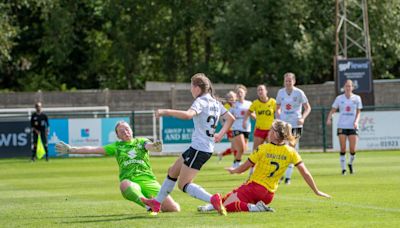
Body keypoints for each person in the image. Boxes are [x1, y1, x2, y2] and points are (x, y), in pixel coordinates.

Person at [140, 73, 235, 215]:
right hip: (199, 147)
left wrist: (166, 111)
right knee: (172, 171)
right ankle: (157, 203)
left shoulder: (201, 101)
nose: (191, 90)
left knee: (183, 184)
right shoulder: (216, 103)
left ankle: (212, 199)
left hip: (200, 148)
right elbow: (230, 118)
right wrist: (220, 135)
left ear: (197, 87)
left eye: (191, 86)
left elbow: (188, 115)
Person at [198, 119, 331, 213]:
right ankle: (209, 206)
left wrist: (234, 171)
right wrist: (316, 191)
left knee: (228, 205)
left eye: (271, 130)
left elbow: (243, 168)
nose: (268, 132)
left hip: (254, 188)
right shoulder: (291, 151)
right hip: (269, 196)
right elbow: (305, 173)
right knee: (231, 196)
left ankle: (254, 208)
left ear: (274, 134)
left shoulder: (263, 148)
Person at [55, 121, 180, 213]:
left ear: (131, 130)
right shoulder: (116, 146)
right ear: (118, 136)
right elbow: (93, 149)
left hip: (149, 180)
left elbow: (149, 146)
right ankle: (148, 205)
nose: (125, 132)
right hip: (131, 181)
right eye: (121, 131)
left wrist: (155, 147)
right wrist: (72, 149)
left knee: (174, 209)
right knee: (124, 184)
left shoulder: (141, 141)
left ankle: (153, 201)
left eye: (127, 129)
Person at [276, 72, 311, 184]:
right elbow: (277, 108)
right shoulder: (281, 92)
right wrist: (278, 118)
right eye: (286, 80)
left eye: (290, 80)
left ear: (294, 81)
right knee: (283, 148)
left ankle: (288, 177)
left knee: (292, 148)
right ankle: (282, 175)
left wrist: (303, 118)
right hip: (285, 124)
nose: (288, 82)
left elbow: (308, 108)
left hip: (296, 124)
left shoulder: (299, 93)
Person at [326, 79, 362, 175]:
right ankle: (343, 169)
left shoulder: (357, 98)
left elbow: (358, 112)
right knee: (342, 148)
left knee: (353, 149)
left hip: (353, 126)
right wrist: (329, 118)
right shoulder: (339, 98)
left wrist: (356, 121)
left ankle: (350, 163)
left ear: (352, 88)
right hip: (342, 125)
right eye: (346, 86)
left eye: (350, 86)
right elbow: (333, 110)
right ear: (344, 87)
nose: (348, 88)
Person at [230, 85, 252, 168]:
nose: (239, 94)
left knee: (242, 149)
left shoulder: (249, 103)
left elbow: (254, 115)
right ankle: (237, 165)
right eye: (238, 92)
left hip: (246, 128)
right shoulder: (234, 105)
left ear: (245, 93)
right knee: (242, 148)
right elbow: (228, 116)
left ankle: (235, 163)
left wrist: (250, 113)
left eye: (241, 92)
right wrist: (233, 117)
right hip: (237, 128)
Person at [218, 90, 237, 161]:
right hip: (230, 129)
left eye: (232, 97)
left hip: (239, 129)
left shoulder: (238, 105)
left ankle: (221, 154)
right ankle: (236, 162)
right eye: (229, 97)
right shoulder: (225, 107)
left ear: (236, 97)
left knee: (235, 147)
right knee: (236, 146)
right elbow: (222, 119)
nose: (231, 98)